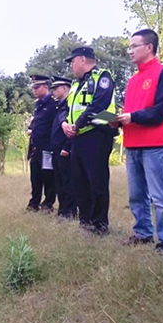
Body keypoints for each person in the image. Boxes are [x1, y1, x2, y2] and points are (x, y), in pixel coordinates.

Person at [115, 30, 163, 253]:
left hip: (155, 144)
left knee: (160, 196)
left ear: (149, 47)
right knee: (136, 195)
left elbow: (161, 110)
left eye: (134, 46)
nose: (130, 51)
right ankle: (142, 233)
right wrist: (118, 121)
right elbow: (131, 113)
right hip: (133, 144)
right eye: (129, 47)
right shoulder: (133, 80)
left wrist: (133, 117)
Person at [62, 47, 118, 235]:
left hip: (97, 134)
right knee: (79, 182)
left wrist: (77, 124)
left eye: (72, 62)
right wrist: (65, 124)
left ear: (82, 59)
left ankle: (100, 224)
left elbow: (99, 105)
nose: (71, 66)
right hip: (77, 137)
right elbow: (67, 108)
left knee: (97, 181)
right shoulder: (76, 85)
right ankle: (85, 221)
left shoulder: (102, 77)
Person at [27, 74, 57, 213]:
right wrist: (31, 128)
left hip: (47, 147)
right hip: (35, 147)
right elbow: (37, 121)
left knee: (48, 177)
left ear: (45, 86)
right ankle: (34, 203)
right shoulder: (38, 104)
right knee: (35, 177)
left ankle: (48, 204)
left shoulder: (53, 104)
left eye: (37, 87)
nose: (34, 90)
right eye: (33, 87)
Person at [50, 76, 76, 221]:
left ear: (65, 88)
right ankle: (63, 210)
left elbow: (71, 128)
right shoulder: (59, 106)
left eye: (56, 88)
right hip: (56, 149)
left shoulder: (70, 104)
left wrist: (67, 147)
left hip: (64, 150)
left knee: (68, 182)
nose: (53, 91)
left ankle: (70, 211)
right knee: (59, 181)